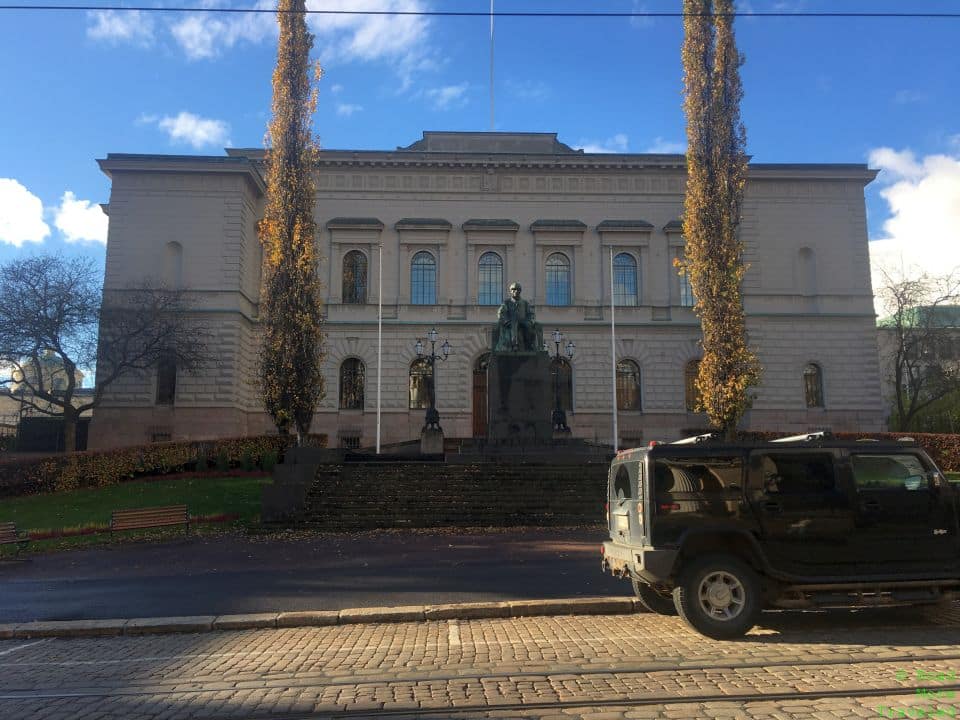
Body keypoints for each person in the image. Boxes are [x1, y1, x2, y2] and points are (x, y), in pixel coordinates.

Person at [494, 282, 543, 352]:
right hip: (511, 323)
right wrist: (506, 321)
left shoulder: (525, 303)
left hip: (524, 322)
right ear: (510, 291)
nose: (516, 291)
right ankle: (515, 345)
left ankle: (533, 346)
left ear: (520, 291)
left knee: (536, 326)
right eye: (513, 289)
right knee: (514, 322)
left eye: (518, 289)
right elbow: (501, 313)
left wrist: (529, 321)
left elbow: (531, 314)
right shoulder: (506, 302)